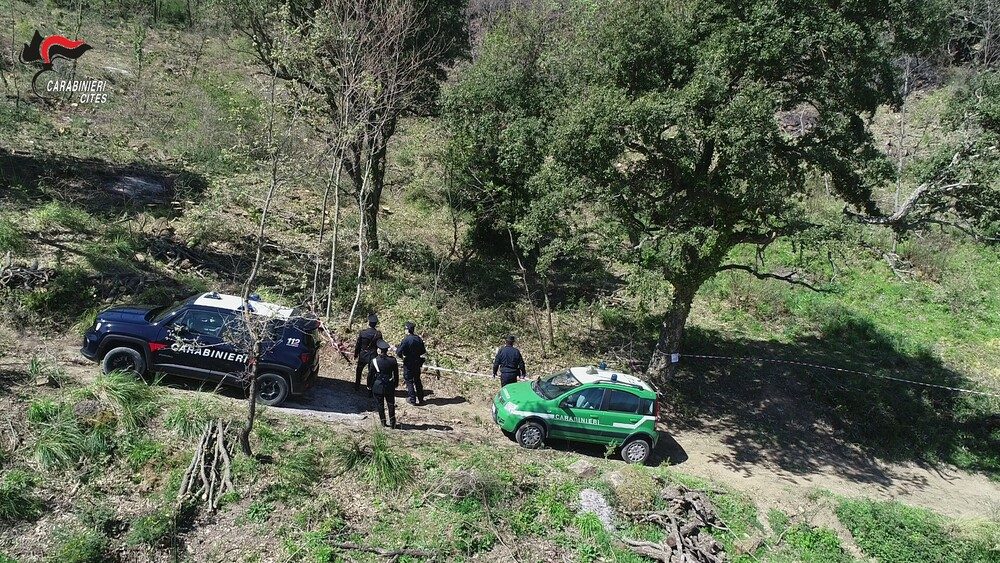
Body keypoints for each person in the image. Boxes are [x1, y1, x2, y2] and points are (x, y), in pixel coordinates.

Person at [368, 339, 400, 428]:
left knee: (380, 404)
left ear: (379, 350)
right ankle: (393, 423)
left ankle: (383, 422)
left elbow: (370, 374)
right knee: (391, 404)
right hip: (389, 385)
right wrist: (396, 383)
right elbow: (396, 374)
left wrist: (369, 385)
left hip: (378, 385)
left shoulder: (374, 361)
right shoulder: (393, 360)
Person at [396, 321, 427, 405]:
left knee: (409, 380)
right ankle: (421, 398)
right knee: (417, 380)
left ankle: (412, 399)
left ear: (408, 329)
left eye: (405, 329)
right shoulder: (418, 338)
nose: (404, 330)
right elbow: (423, 351)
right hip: (417, 361)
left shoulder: (406, 339)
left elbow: (399, 352)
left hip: (408, 362)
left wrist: (402, 357)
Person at [353, 314, 383, 392]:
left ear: (368, 323)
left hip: (363, 354)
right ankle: (370, 388)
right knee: (372, 372)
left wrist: (356, 354)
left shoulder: (363, 333)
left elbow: (358, 344)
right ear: (376, 324)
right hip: (373, 355)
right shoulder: (378, 334)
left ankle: (357, 386)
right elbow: (380, 345)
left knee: (359, 370)